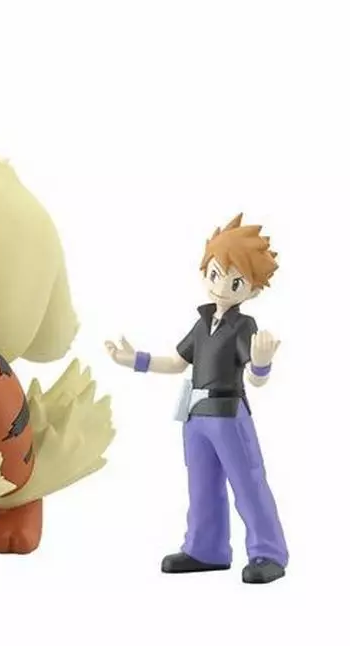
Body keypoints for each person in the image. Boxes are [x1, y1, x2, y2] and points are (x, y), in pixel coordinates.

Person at [105, 213, 288, 584]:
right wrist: (135, 360)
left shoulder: (244, 326)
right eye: (215, 274)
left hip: (228, 413)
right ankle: (206, 549)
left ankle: (269, 552)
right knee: (202, 486)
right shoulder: (202, 324)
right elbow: (176, 362)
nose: (221, 287)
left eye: (235, 281)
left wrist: (262, 363)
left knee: (248, 483)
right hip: (195, 415)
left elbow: (255, 378)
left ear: (252, 290)